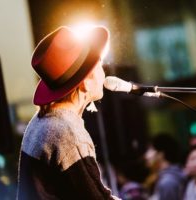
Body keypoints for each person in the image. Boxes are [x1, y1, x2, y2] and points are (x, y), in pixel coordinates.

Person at [17, 25, 120, 199]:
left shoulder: (40, 122)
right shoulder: (67, 134)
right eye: (100, 66)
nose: (104, 74)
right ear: (86, 83)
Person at [144, 133, 186, 200]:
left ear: (161, 154)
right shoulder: (166, 177)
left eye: (150, 149)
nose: (146, 155)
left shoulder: (167, 182)